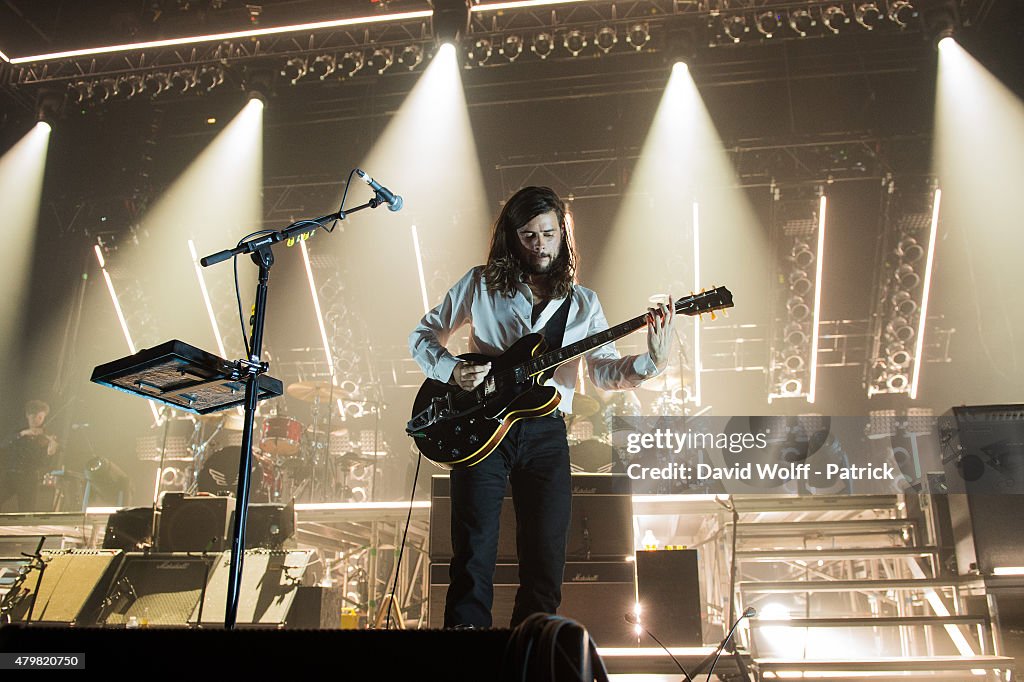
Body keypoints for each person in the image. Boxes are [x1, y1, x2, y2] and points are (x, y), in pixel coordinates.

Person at [409, 186, 675, 628]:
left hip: (547, 432)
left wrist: (651, 361)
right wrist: (452, 370)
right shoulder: (479, 283)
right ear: (511, 237)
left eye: (548, 234)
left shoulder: (584, 302)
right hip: (482, 430)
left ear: (562, 235)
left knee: (547, 555)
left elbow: (604, 371)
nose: (540, 246)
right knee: (474, 552)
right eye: (529, 236)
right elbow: (423, 334)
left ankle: (531, 657)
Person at [0, 400, 59, 512]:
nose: (37, 420)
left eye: (40, 417)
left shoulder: (45, 437)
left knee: (27, 510)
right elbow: (3, 445)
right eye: (34, 417)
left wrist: (50, 453)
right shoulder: (18, 431)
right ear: (28, 415)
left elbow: (44, 463)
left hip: (29, 478)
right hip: (11, 475)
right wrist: (23, 434)